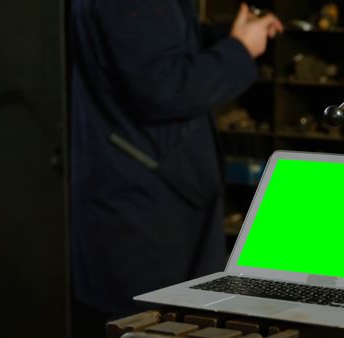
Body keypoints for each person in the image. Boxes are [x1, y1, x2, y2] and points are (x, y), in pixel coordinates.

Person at [69, 0, 283, 336]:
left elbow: (152, 45)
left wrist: (223, 36)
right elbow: (164, 87)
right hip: (145, 204)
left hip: (147, 190)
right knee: (150, 322)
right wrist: (239, 50)